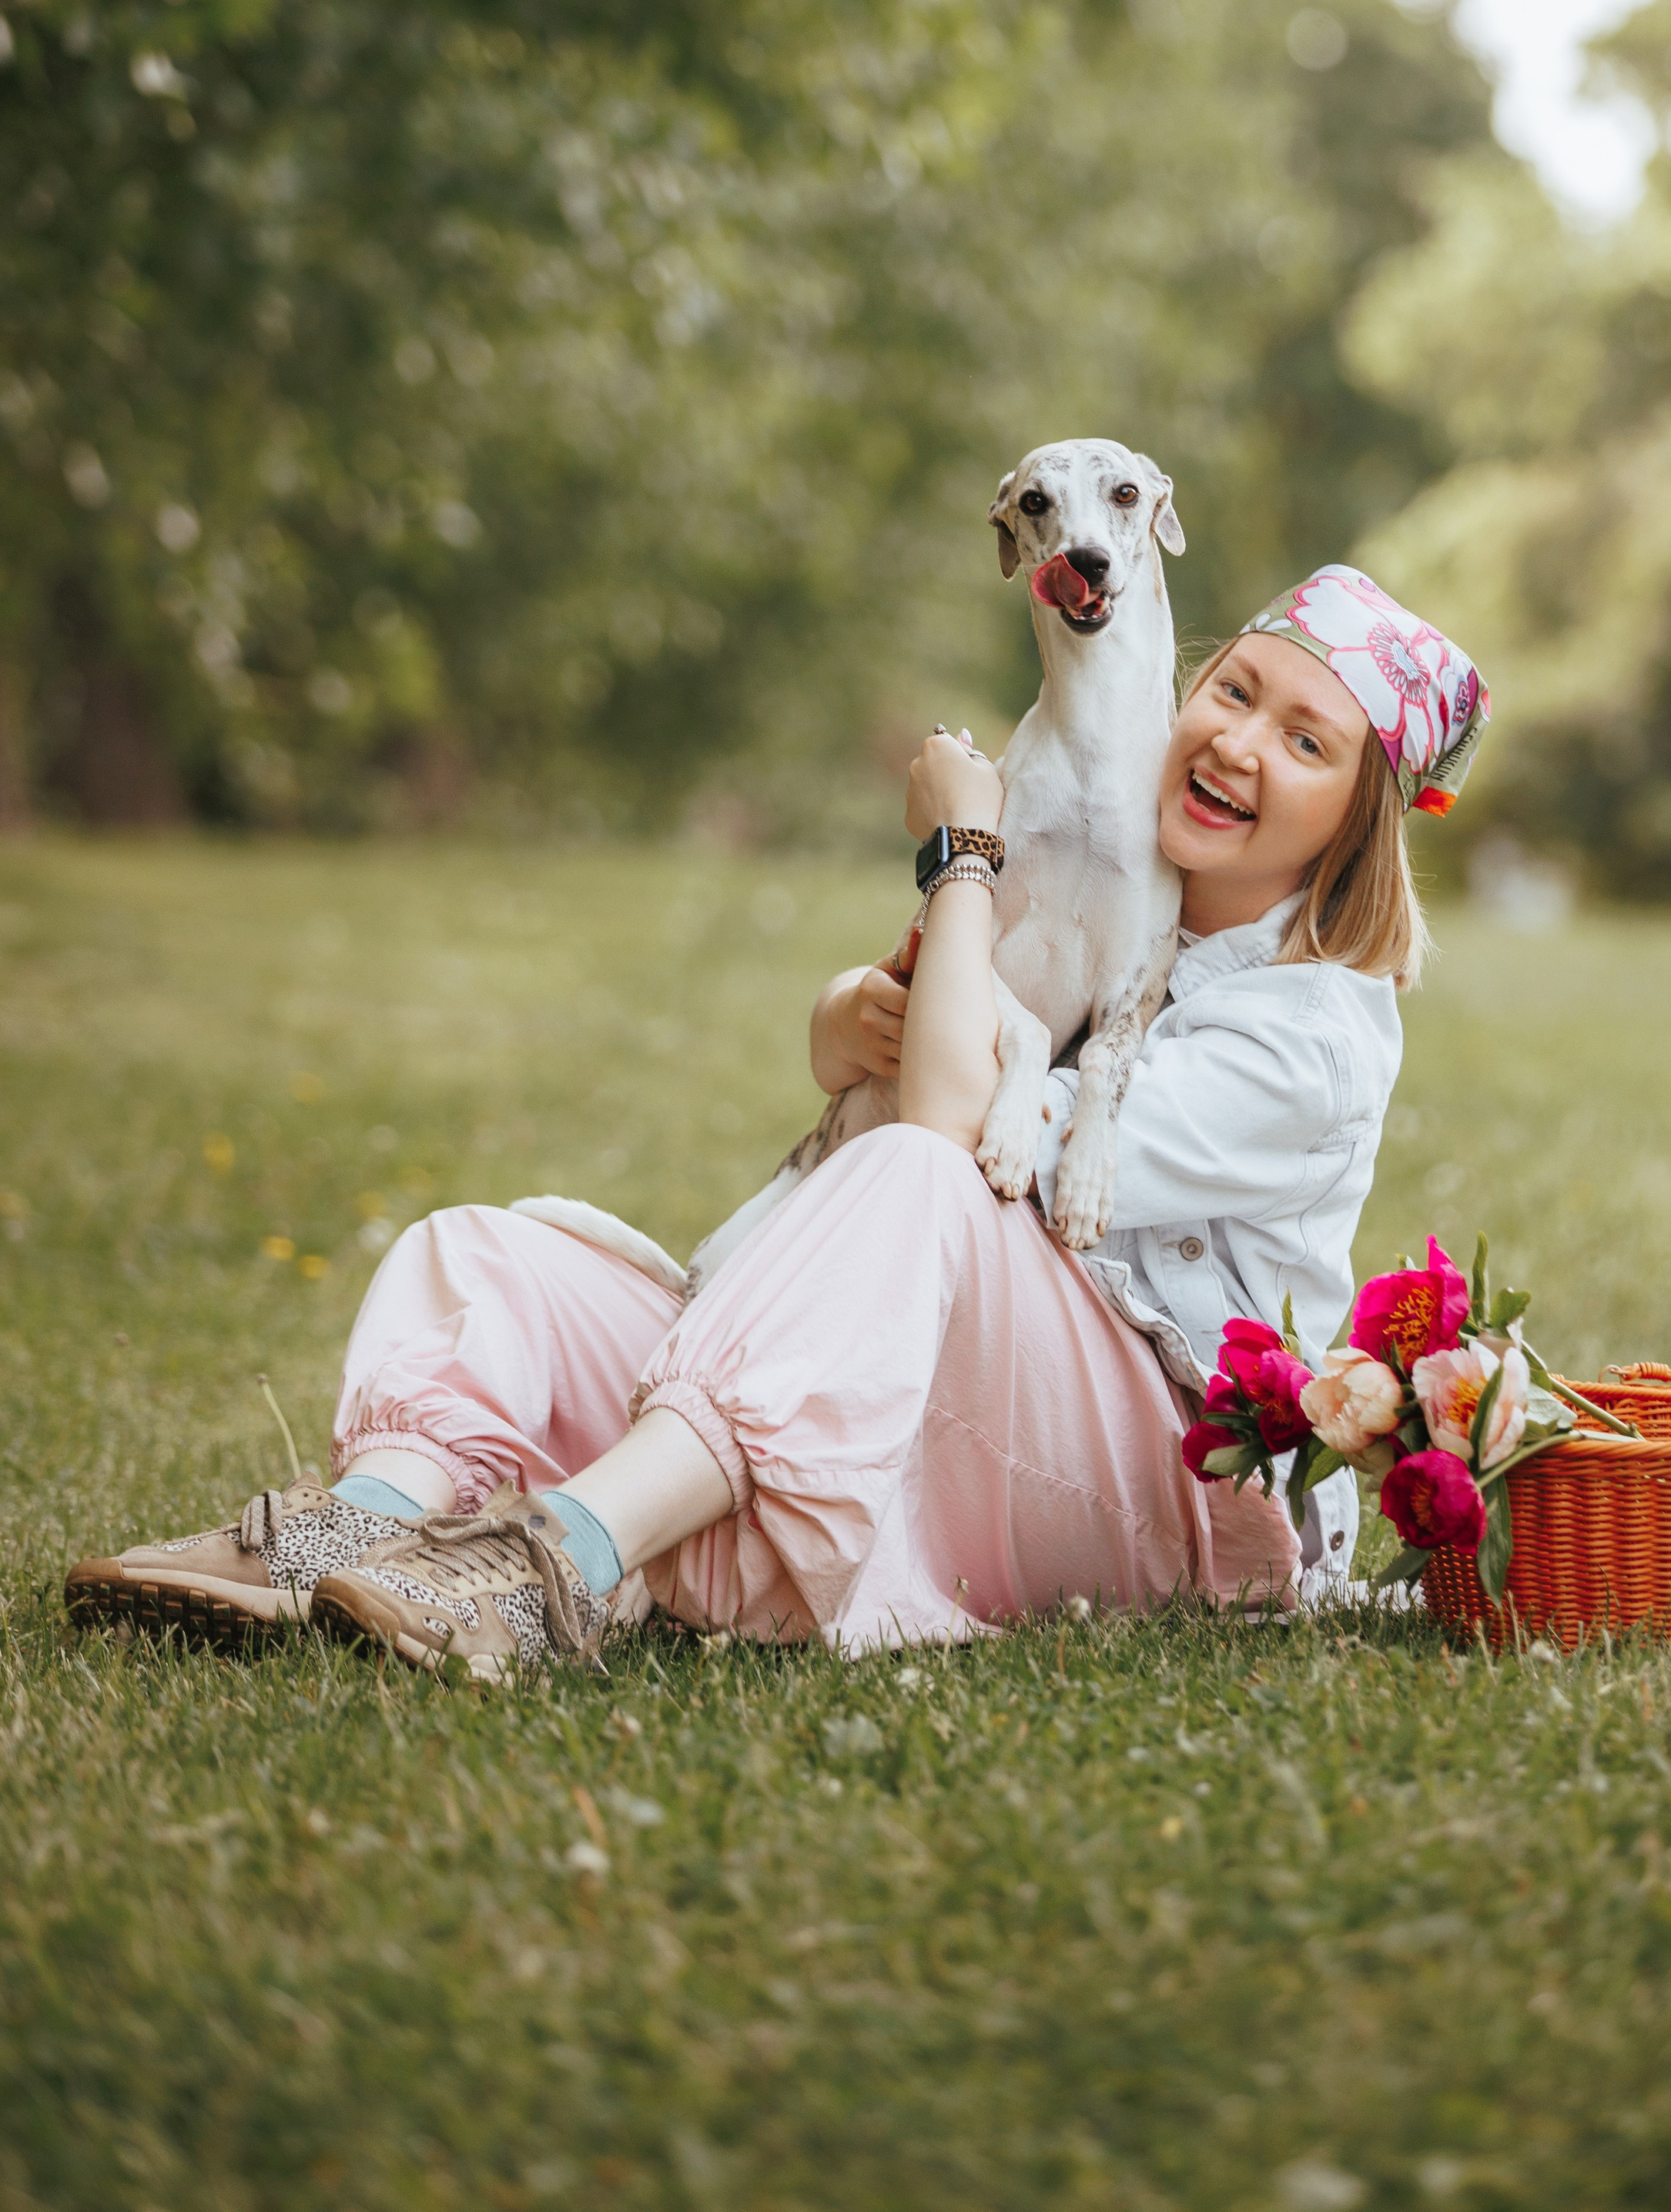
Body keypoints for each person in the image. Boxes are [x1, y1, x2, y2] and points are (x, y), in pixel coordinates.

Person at [65, 567, 1488, 1674]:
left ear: (1359, 818)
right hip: (967, 1378)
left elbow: (941, 1125)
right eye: (1232, 691)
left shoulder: (1314, 1032)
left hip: (1177, 1488)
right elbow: (887, 1042)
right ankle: (354, 1531)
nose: (1240, 741)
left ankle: (551, 1566)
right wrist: (849, 1009)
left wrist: (962, 852)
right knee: (494, 1259)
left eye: (1305, 740)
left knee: (919, 1177)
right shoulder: (1112, 894)